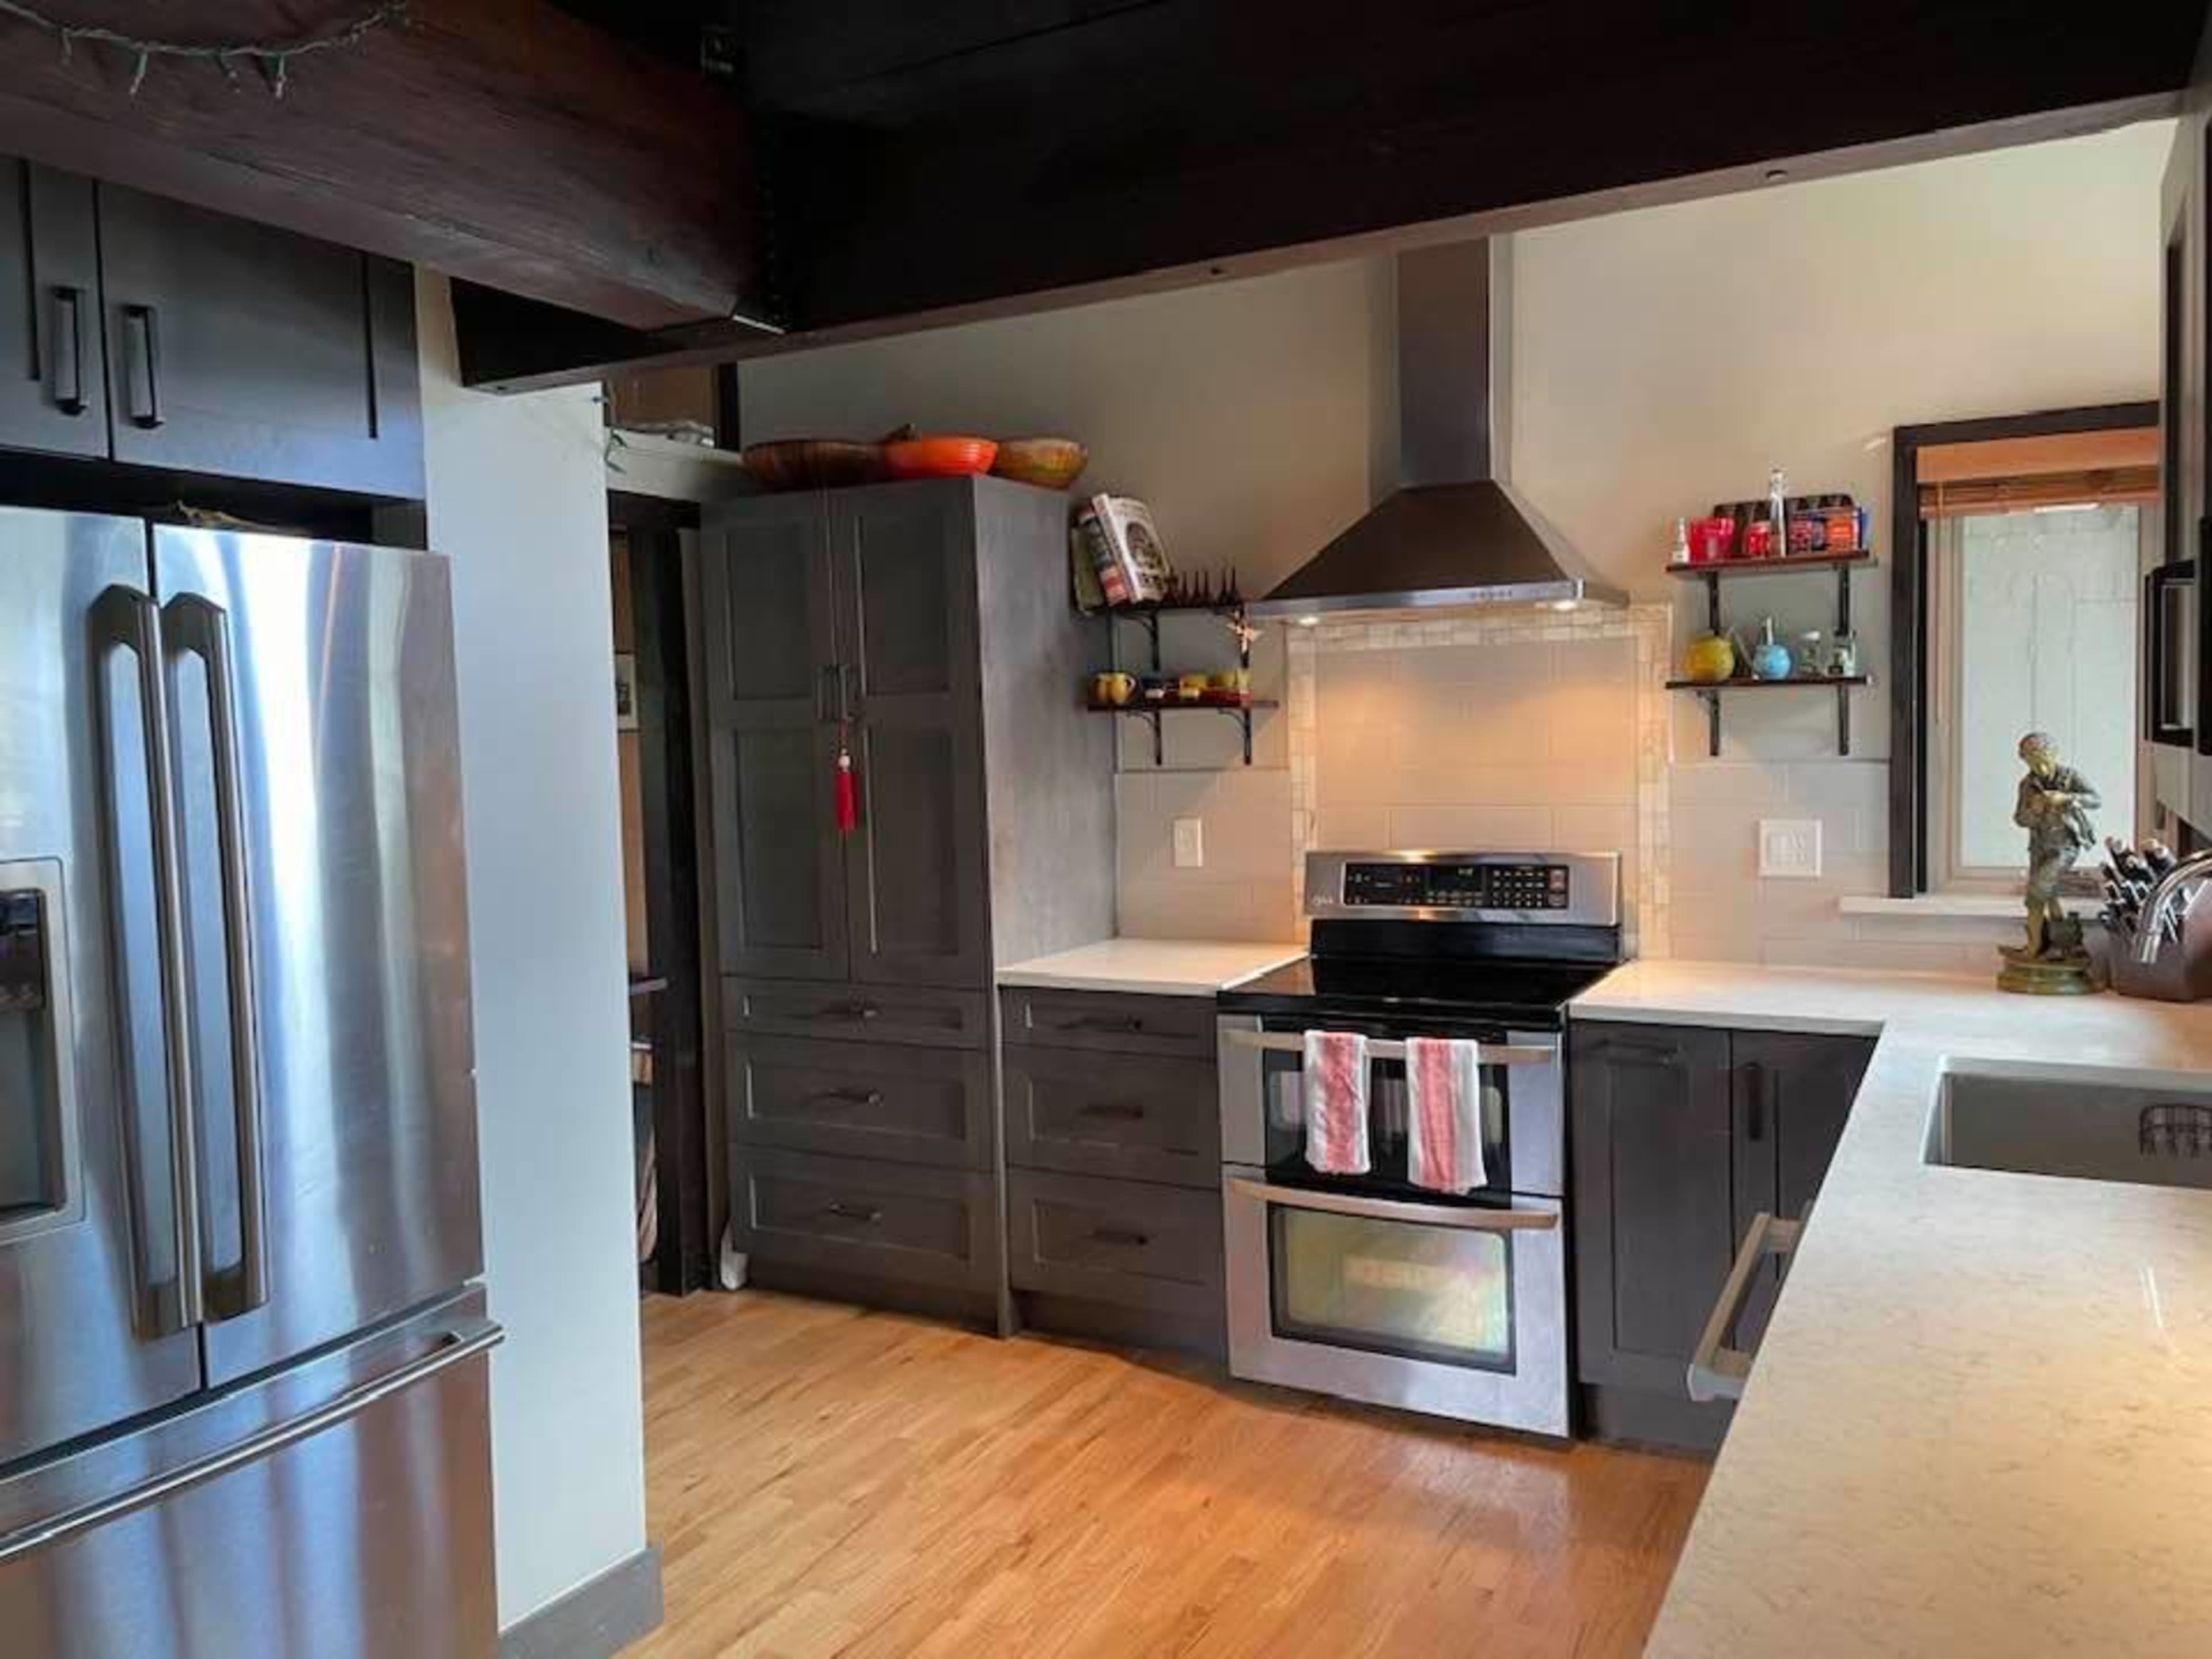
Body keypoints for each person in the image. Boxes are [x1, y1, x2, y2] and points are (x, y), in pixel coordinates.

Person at [2013, 732, 2099, 960]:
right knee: (2046, 896)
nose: (2040, 767)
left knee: (2037, 892)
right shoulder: (2027, 785)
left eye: (2044, 760)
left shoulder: (2071, 777)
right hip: (2039, 847)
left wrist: (2068, 799)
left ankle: (2041, 946)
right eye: (2032, 762)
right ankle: (2047, 945)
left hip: (2065, 847)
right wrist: (2035, 810)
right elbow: (2020, 819)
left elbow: (2095, 800)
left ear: (2054, 756)